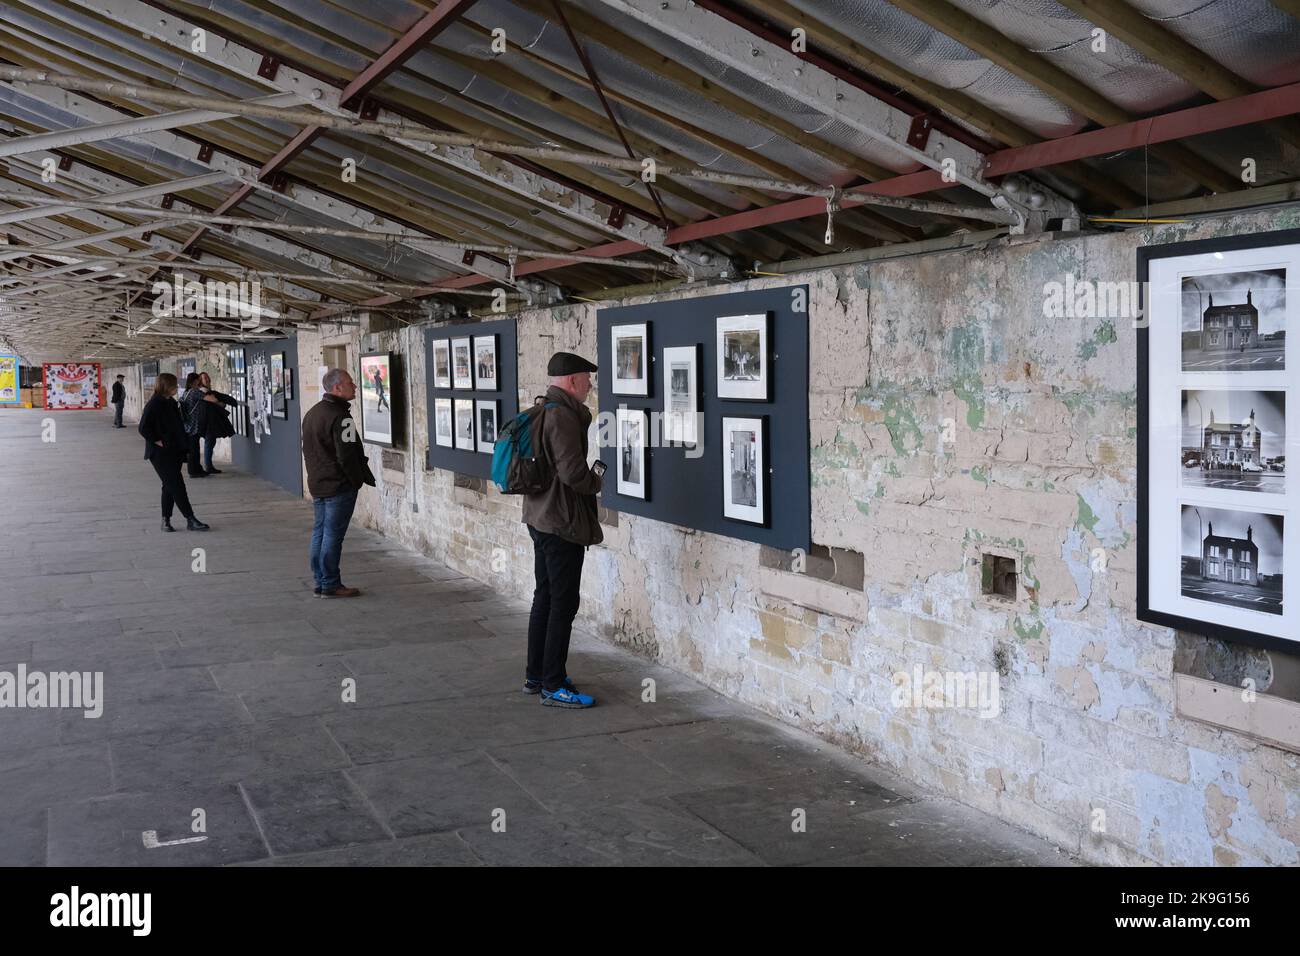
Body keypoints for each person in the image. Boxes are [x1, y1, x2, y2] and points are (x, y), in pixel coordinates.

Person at [521, 351, 603, 709]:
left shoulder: (542, 409)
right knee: (563, 603)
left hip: (539, 517)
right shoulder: (565, 417)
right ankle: (553, 685)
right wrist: (595, 481)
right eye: (587, 379)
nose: (590, 385)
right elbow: (573, 474)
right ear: (572, 381)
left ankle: (536, 674)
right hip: (561, 523)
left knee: (545, 597)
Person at [302, 368, 375, 598]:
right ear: (337, 388)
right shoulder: (341, 417)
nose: (354, 386)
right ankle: (331, 583)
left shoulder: (313, 413)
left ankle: (320, 580)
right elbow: (347, 455)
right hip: (338, 486)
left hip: (318, 483)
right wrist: (355, 480)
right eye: (350, 382)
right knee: (332, 535)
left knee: (320, 533)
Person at [137, 373, 210, 532]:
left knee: (169, 485)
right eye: (174, 385)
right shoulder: (155, 403)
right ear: (166, 386)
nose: (177, 388)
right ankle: (190, 519)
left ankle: (165, 520)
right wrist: (157, 440)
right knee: (177, 484)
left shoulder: (170, 402)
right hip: (160, 453)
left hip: (174, 450)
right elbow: (143, 427)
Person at [197, 372, 237, 474]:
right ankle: (208, 466)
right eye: (203, 378)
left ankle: (209, 465)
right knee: (209, 443)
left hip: (210, 422)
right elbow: (215, 401)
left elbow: (220, 400)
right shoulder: (203, 392)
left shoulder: (209, 392)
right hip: (207, 423)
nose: (206, 379)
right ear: (200, 381)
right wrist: (220, 403)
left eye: (207, 377)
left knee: (210, 443)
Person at [179, 373, 209, 478]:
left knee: (193, 450)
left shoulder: (186, 392)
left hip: (187, 426)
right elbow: (209, 398)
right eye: (199, 379)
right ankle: (194, 471)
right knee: (194, 450)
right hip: (193, 426)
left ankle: (196, 469)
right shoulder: (194, 392)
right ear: (196, 381)